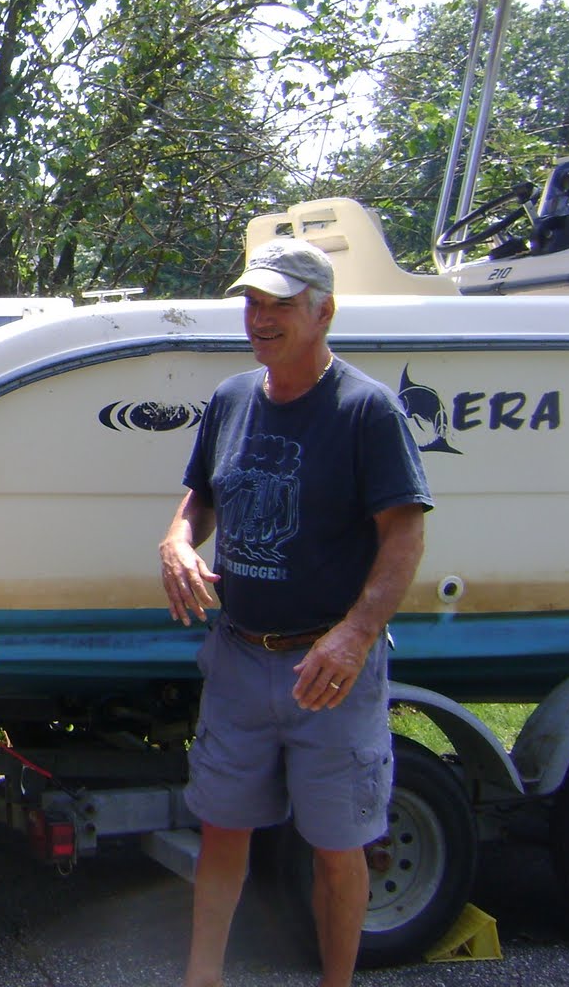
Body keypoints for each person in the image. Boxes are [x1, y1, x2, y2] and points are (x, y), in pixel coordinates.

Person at [157, 239, 431, 987]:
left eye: (279, 304)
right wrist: (178, 540)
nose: (261, 318)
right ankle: (202, 978)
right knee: (222, 830)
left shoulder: (366, 409)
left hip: (329, 669)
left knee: (339, 848)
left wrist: (354, 635)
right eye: (252, 303)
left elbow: (404, 532)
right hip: (241, 655)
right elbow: (202, 497)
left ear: (324, 311)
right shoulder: (233, 398)